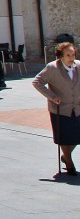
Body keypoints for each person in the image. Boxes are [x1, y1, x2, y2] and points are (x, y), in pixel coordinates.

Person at [32, 41, 80, 175]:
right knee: (64, 137)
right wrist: (52, 96)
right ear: (61, 56)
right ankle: (69, 162)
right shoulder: (52, 68)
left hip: (77, 107)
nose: (71, 57)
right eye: (68, 55)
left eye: (73, 54)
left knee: (77, 136)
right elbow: (37, 82)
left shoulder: (79, 66)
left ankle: (65, 156)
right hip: (60, 108)